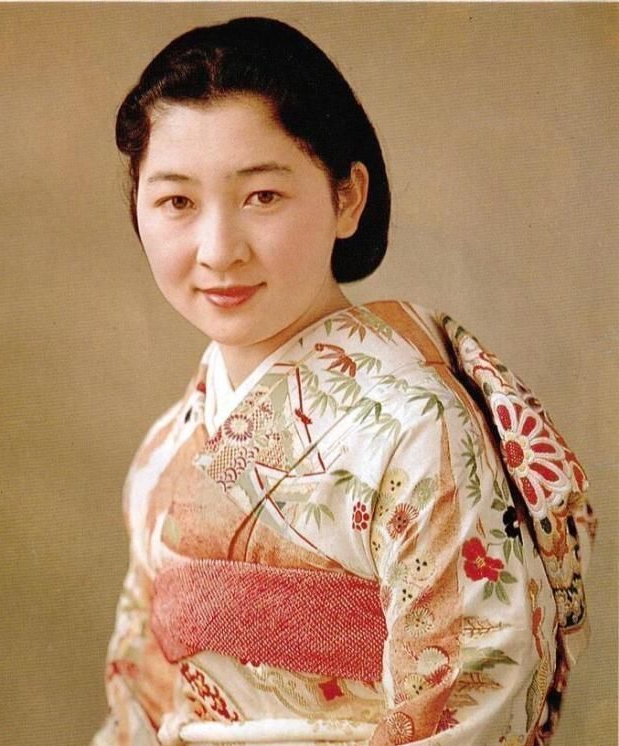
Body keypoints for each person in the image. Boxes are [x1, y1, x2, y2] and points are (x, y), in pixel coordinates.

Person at [92, 17, 595, 746]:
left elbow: (475, 709)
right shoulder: (166, 449)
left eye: (263, 196)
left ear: (347, 198)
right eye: (177, 202)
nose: (218, 250)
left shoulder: (418, 427)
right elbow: (137, 703)